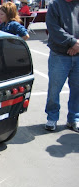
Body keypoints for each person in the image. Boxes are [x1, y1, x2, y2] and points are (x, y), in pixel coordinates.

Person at [44, 0, 79, 132]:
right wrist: (72, 43)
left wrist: (76, 46)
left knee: (77, 89)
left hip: (78, 54)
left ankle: (73, 118)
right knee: (54, 88)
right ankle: (52, 117)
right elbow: (53, 28)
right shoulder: (55, 5)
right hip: (59, 54)